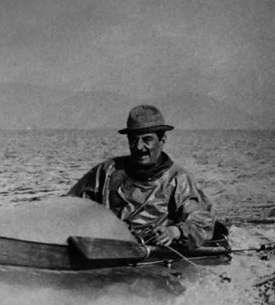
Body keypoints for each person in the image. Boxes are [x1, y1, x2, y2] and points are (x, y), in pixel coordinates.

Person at [67, 105, 216, 249]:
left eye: (147, 139)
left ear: (162, 140)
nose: (138, 147)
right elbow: (70, 204)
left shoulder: (179, 180)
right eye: (133, 139)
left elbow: (203, 222)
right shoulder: (107, 171)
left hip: (152, 256)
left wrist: (176, 231)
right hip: (106, 247)